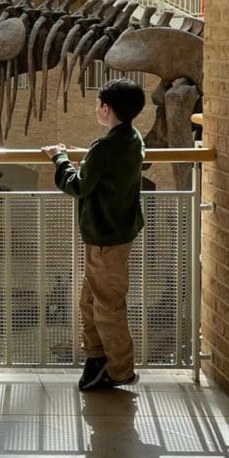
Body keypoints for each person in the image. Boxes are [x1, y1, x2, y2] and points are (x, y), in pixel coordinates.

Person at [42, 77, 146, 391]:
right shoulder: (132, 138)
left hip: (105, 239)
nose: (96, 108)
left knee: (107, 305)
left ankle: (121, 370)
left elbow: (78, 186)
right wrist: (86, 158)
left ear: (106, 108)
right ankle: (98, 358)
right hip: (113, 234)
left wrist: (59, 159)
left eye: (99, 103)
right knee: (90, 300)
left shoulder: (105, 147)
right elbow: (102, 170)